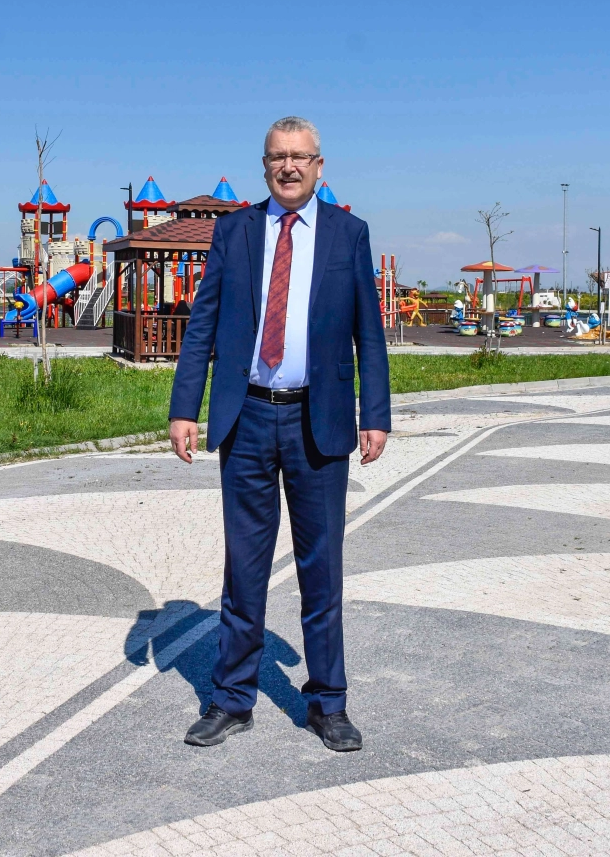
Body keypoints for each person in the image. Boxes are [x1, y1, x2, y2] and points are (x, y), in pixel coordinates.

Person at [168, 116, 392, 753]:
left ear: (319, 166)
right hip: (246, 416)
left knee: (322, 569)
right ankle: (231, 698)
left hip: (318, 420)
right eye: (277, 157)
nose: (288, 167)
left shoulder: (348, 233)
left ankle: (328, 703)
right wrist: (186, 408)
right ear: (264, 166)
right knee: (244, 566)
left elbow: (368, 331)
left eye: (299, 157)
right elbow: (203, 325)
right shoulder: (235, 231)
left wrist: (374, 414)